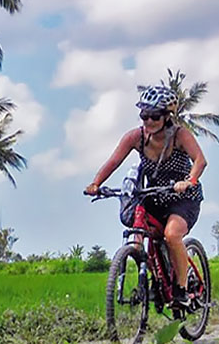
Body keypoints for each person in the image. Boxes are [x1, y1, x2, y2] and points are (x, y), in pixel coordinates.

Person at [85, 85, 207, 308]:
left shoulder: (180, 135)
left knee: (171, 235)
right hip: (153, 194)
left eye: (154, 116)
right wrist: (96, 183)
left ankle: (180, 289)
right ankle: (153, 280)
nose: (148, 121)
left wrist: (189, 181)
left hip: (182, 197)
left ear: (166, 117)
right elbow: (114, 162)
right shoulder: (136, 137)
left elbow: (200, 160)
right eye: (144, 116)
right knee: (138, 228)